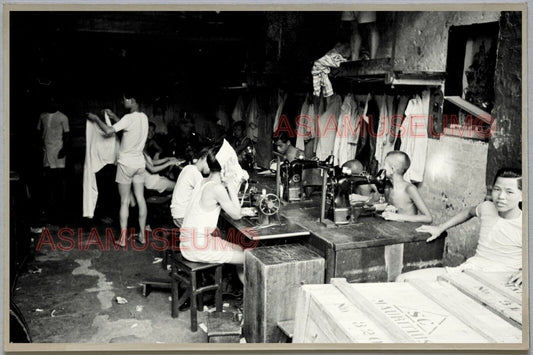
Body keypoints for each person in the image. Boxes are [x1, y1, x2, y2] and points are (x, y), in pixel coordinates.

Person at [397, 168, 522, 288]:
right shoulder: (487, 208)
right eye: (497, 189)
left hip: (500, 280)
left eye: (509, 192)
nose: (501, 196)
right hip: (470, 270)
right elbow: (468, 212)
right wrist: (440, 228)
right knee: (402, 279)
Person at [87, 92, 149, 246]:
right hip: (139, 164)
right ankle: (142, 235)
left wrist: (95, 119)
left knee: (124, 201)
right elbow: (128, 127)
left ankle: (122, 238)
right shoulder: (144, 117)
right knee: (140, 199)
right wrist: (114, 117)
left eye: (124, 99)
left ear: (132, 99)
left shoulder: (128, 118)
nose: (122, 102)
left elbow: (109, 131)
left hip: (126, 164)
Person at [179, 145, 245, 283]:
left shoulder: (202, 181)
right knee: (248, 259)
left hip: (188, 242)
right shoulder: (217, 188)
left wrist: (228, 184)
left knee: (239, 248)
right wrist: (231, 185)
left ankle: (244, 293)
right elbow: (237, 214)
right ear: (225, 167)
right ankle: (252, 299)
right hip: (197, 247)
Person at [37, 97, 70, 224]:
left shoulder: (63, 117)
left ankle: (62, 213)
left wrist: (64, 149)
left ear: (57, 102)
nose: (52, 103)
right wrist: (40, 147)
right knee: (48, 183)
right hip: (47, 152)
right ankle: (50, 213)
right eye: (49, 101)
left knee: (60, 182)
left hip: (59, 152)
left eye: (54, 101)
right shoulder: (42, 116)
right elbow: (38, 132)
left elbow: (67, 134)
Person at [380, 151, 433, 223]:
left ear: (392, 169)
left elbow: (428, 218)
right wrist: (386, 208)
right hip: (393, 229)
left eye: (384, 165)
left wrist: (397, 216)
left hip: (408, 231)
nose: (381, 167)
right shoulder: (387, 186)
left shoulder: (409, 189)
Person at [170, 147, 211, 228]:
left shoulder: (189, 168)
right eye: (210, 165)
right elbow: (206, 191)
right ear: (205, 158)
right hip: (182, 215)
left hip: (178, 212)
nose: (211, 169)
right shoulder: (195, 173)